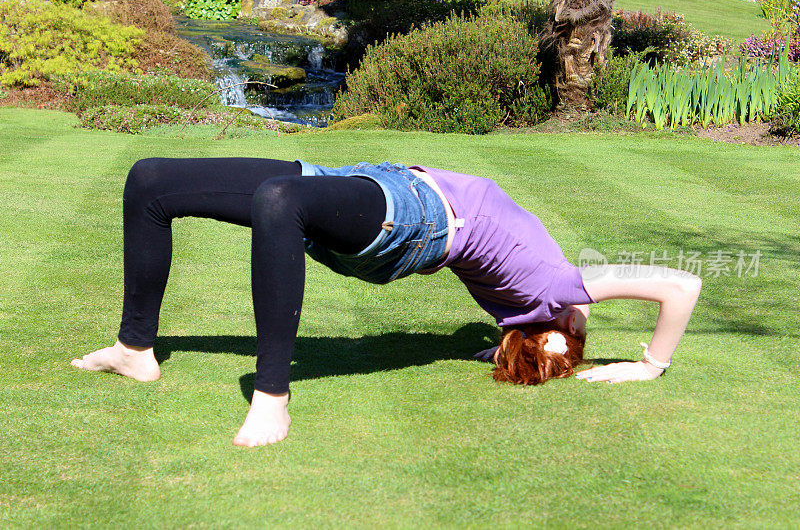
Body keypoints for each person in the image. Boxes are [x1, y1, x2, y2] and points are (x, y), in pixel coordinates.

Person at [71, 158, 702, 447]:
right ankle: (135, 349)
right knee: (151, 181)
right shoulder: (534, 302)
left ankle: (271, 401)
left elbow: (683, 285)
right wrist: (542, 340)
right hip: (376, 179)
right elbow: (554, 328)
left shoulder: (557, 288)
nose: (579, 323)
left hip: (415, 220)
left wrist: (650, 363)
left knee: (276, 202)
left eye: (568, 334)